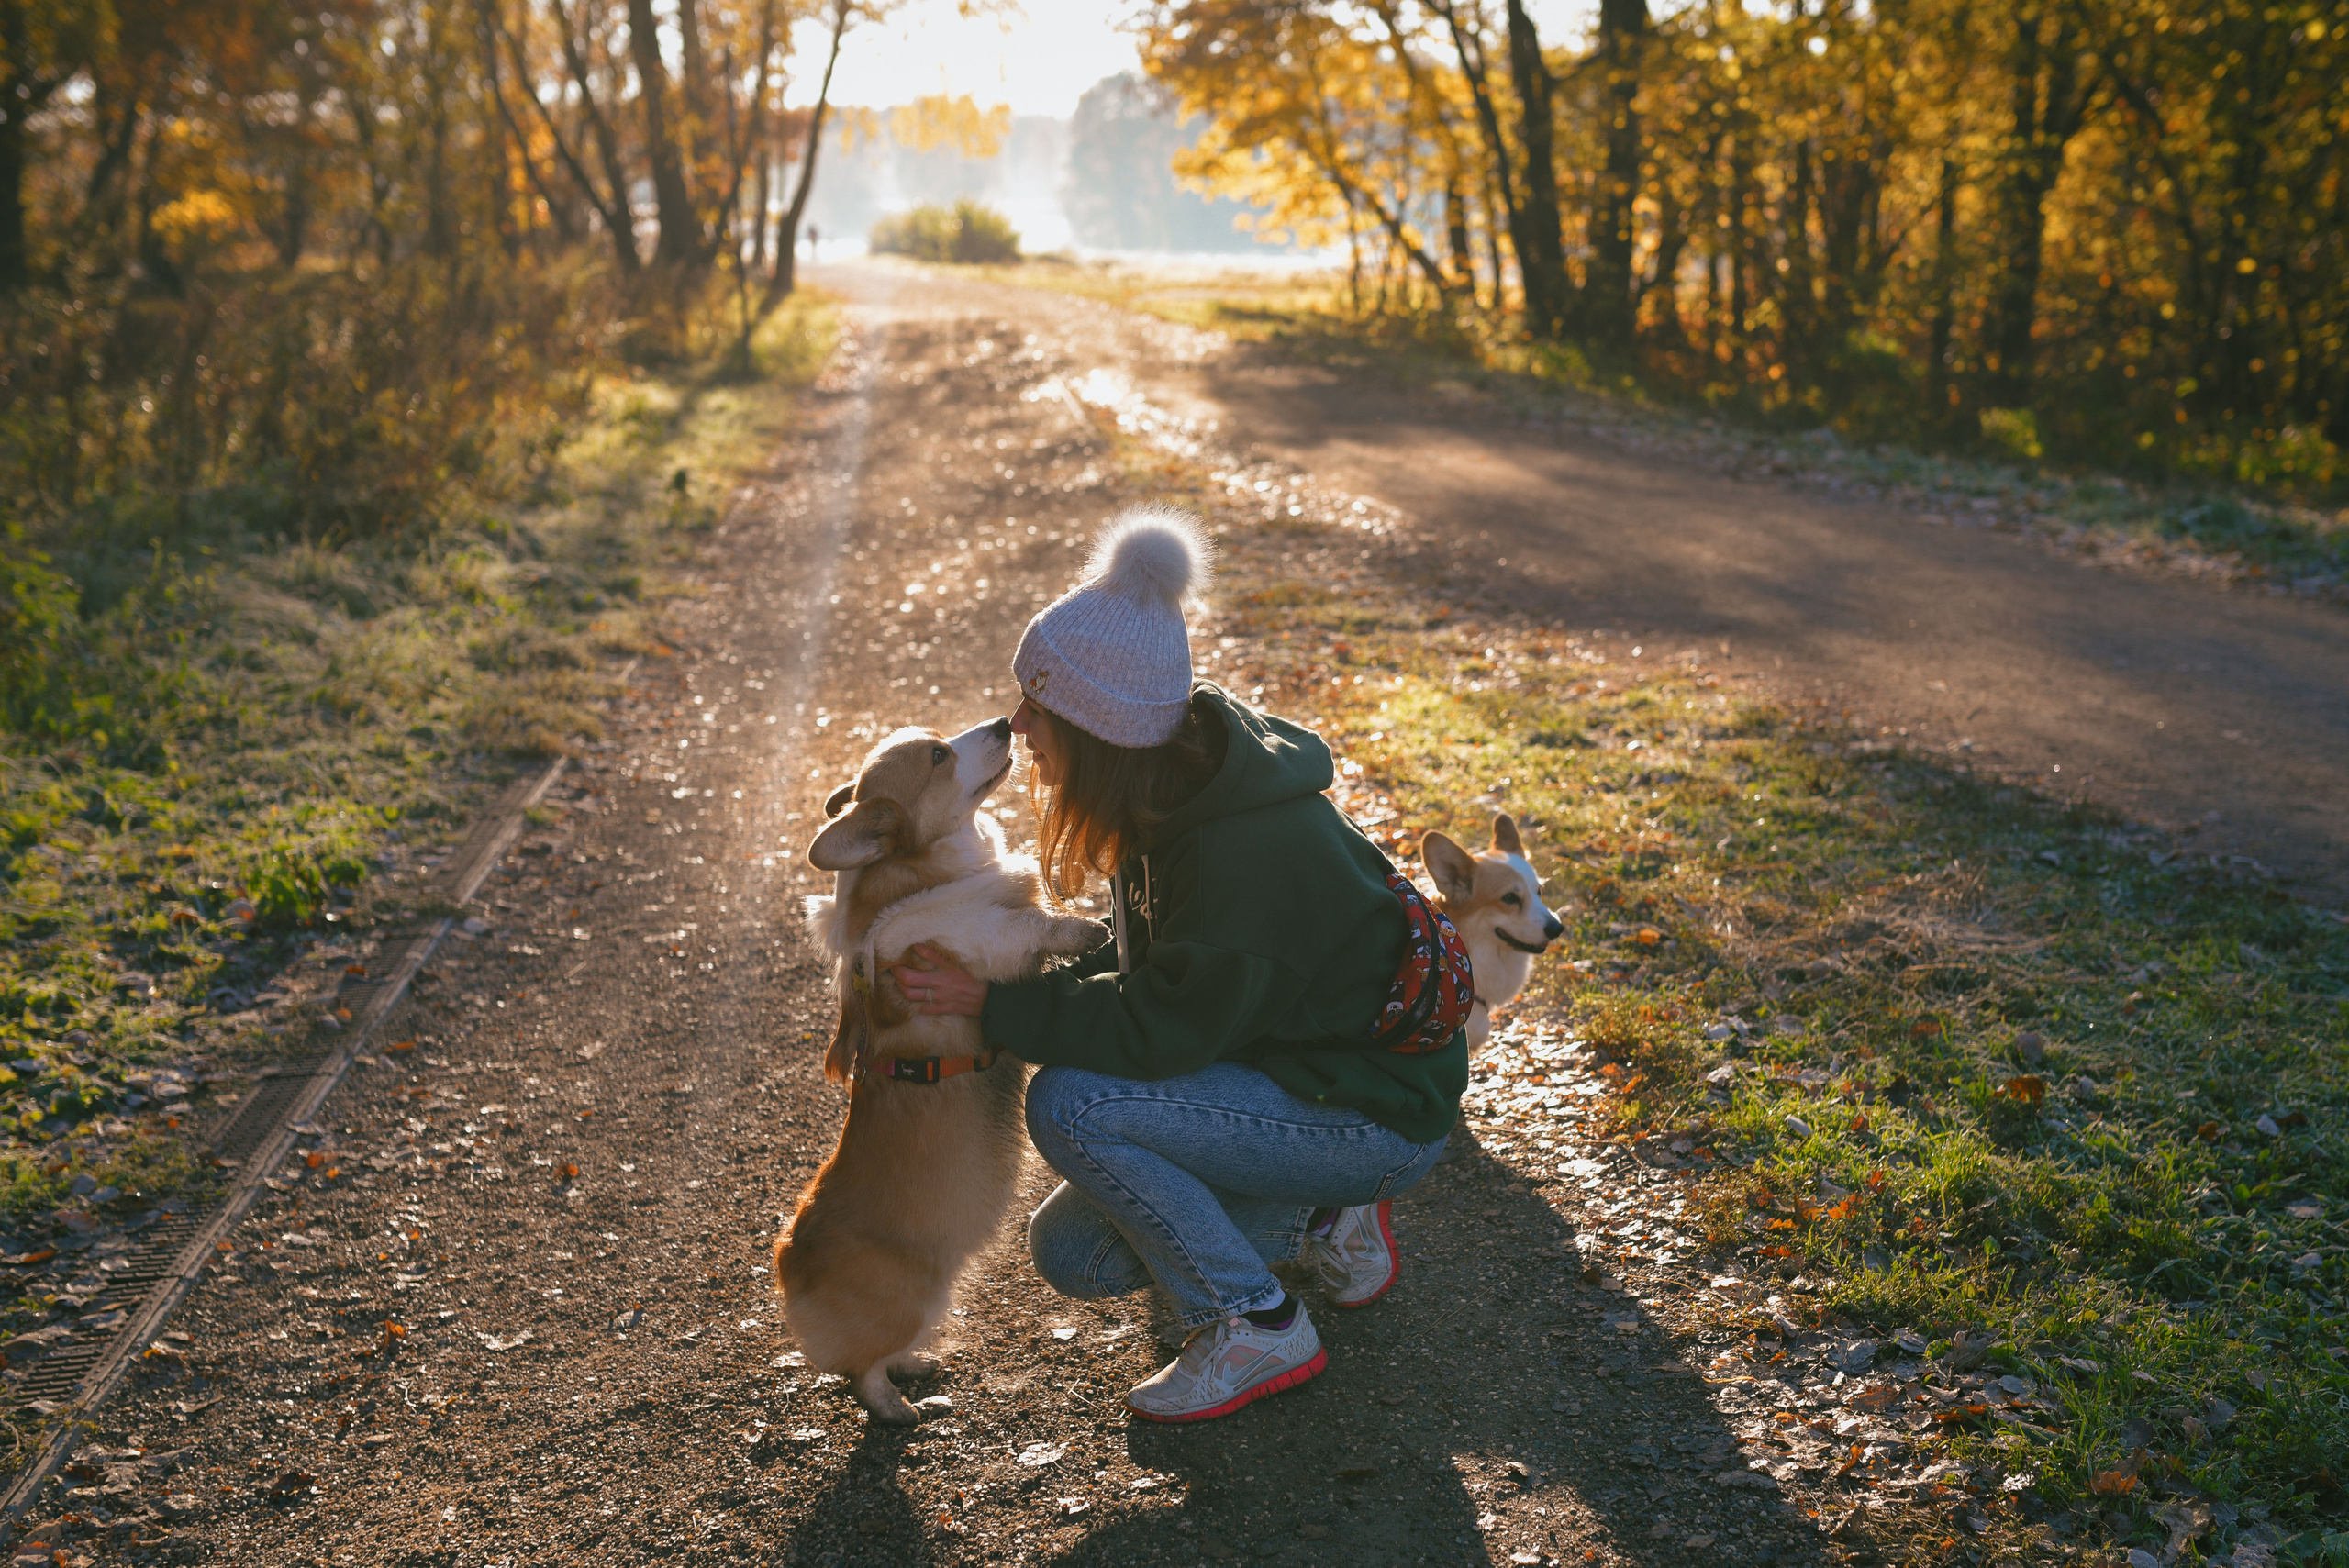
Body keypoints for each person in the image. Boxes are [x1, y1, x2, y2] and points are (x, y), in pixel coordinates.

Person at [892, 506, 1465, 1422]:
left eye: (1039, 707)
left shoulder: (1243, 851)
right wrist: (1008, 982)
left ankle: (1257, 1321)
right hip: (1299, 1077)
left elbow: (1158, 1030)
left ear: (1098, 727)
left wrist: (997, 1010)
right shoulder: (1178, 795)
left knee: (1072, 1100)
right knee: (1076, 1253)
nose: (1018, 725)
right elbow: (1147, 969)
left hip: (1372, 1113)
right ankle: (1326, 1217)